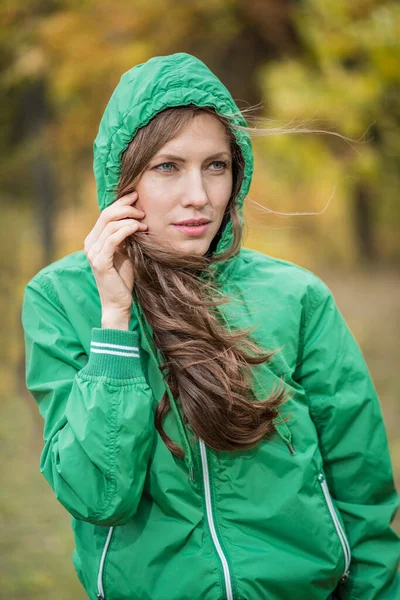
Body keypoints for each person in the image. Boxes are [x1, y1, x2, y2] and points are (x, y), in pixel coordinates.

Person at [21, 52, 399, 600]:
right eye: (168, 166)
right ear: (122, 178)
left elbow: (361, 487)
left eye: (215, 165)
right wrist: (114, 321)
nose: (198, 195)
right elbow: (99, 497)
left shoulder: (296, 297)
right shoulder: (60, 299)